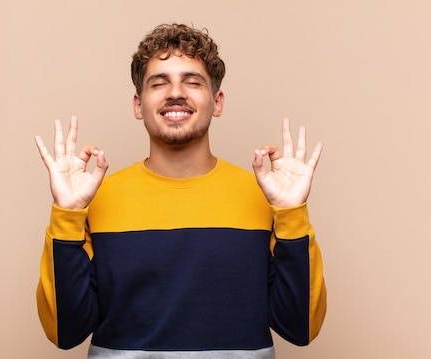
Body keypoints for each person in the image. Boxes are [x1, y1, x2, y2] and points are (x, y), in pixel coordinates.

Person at [34, 23, 326, 359]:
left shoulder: (266, 196)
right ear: (137, 104)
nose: (176, 93)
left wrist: (291, 214)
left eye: (192, 82)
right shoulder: (94, 198)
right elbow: (64, 333)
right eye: (159, 83)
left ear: (217, 102)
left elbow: (300, 329)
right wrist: (68, 215)